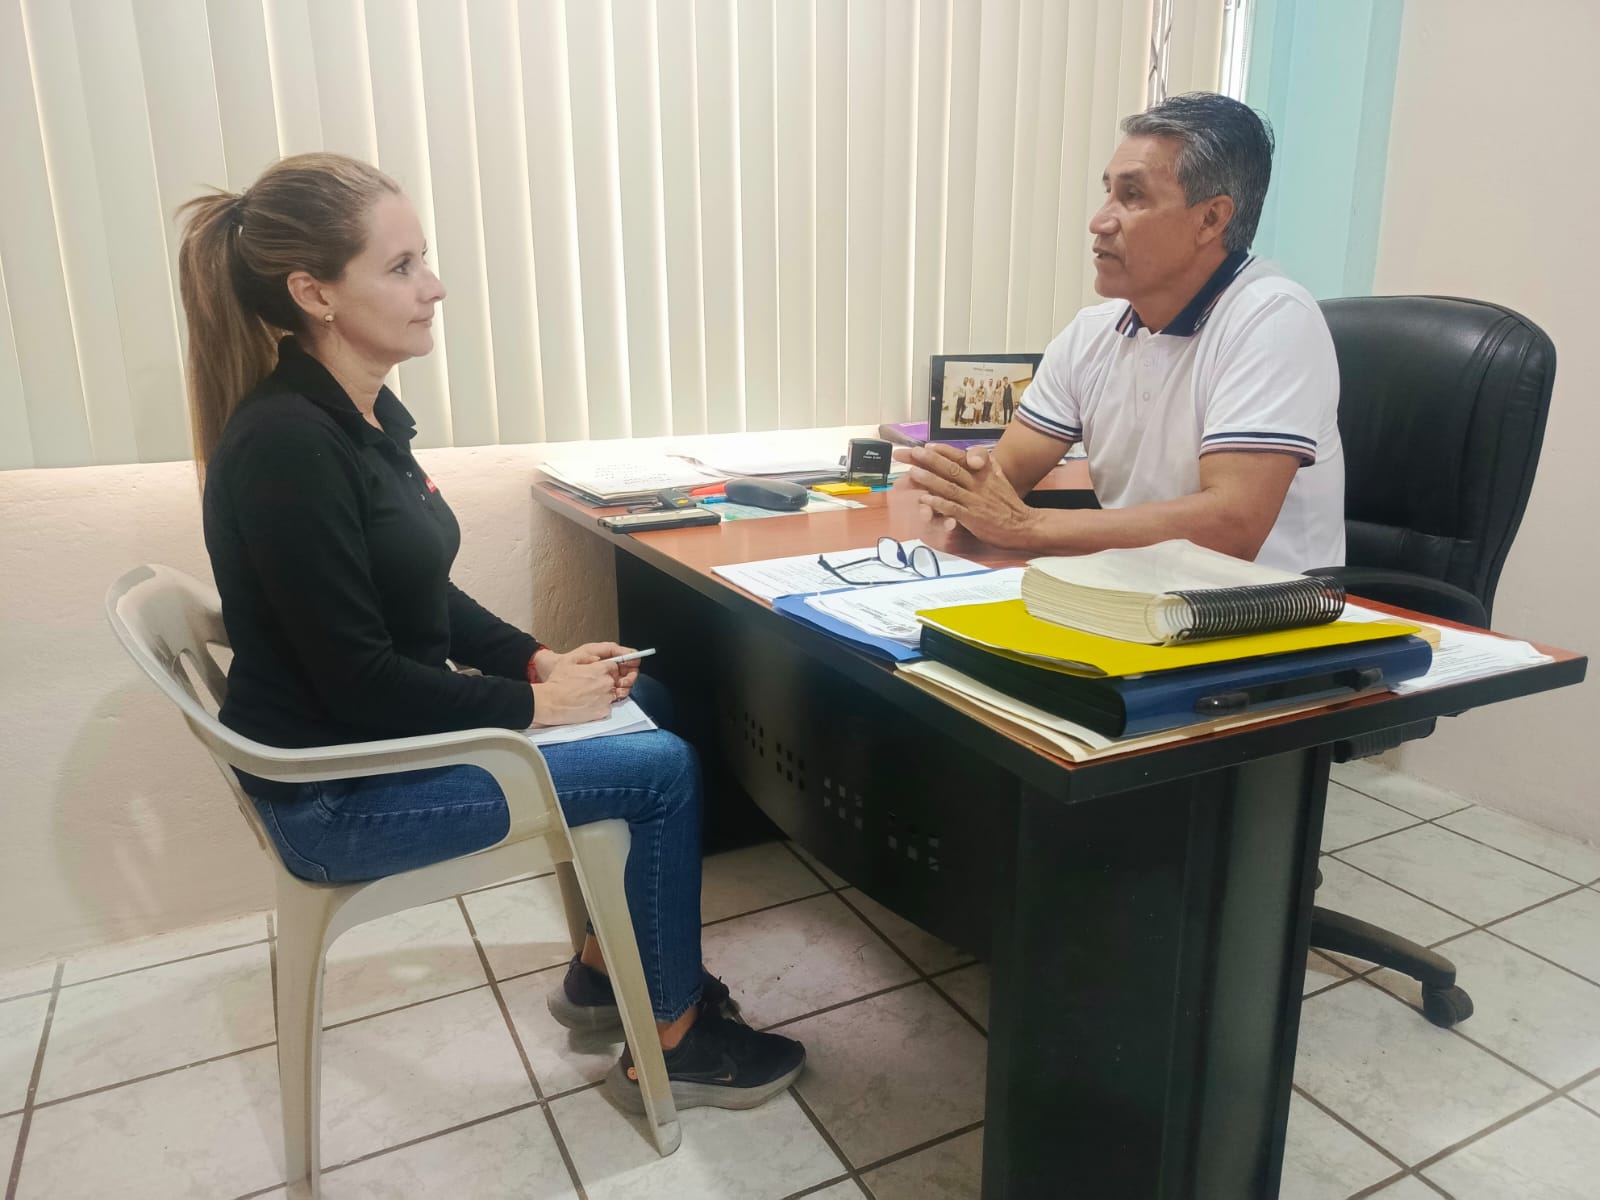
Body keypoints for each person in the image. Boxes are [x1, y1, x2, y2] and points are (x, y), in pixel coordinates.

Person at [175, 152, 804, 1114]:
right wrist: (536, 704)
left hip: (372, 745)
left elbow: (422, 594)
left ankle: (604, 974)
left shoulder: (359, 416)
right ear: (315, 294)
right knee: (660, 769)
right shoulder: (288, 447)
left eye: (422, 258)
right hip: (336, 797)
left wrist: (538, 659)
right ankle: (675, 1041)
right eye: (400, 267)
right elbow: (361, 682)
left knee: (655, 699)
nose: (433, 287)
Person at [899, 92, 1343, 573]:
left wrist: (1026, 526)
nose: (1099, 221)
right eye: (1107, 191)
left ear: (1211, 219)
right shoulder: (1092, 333)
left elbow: (1231, 528)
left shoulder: (1272, 319)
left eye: (1132, 196)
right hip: (1130, 592)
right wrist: (957, 490)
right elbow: (1003, 481)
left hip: (1262, 606)